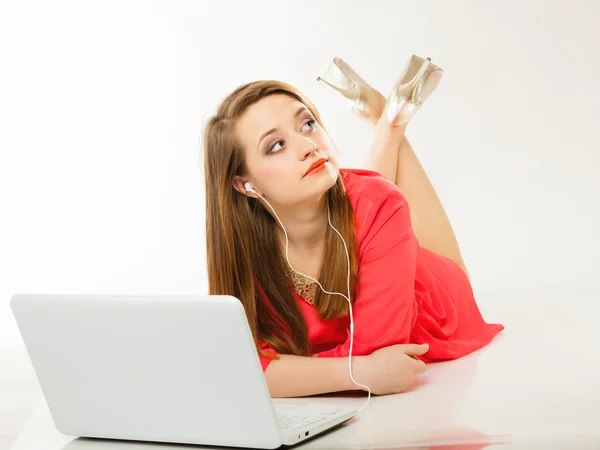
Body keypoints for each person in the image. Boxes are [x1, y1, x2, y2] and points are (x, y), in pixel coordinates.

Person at [202, 79, 504, 398]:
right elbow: (234, 364)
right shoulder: (242, 248)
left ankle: (390, 123)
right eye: (276, 146)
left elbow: (375, 348)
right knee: (365, 201)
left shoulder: (381, 203)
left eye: (307, 124)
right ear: (244, 184)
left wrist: (289, 372)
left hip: (433, 303)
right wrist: (356, 371)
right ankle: (390, 121)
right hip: (369, 227)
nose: (309, 146)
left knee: (376, 198)